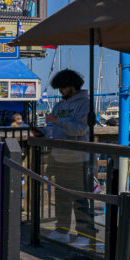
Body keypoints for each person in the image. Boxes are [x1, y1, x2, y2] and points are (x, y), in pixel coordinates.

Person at [43, 69, 94, 246]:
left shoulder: (85, 105)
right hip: (59, 158)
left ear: (72, 86)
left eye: (62, 88)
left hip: (77, 159)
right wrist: (43, 132)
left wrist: (57, 122)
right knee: (61, 197)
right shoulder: (59, 105)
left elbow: (80, 129)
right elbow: (52, 128)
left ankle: (85, 235)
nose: (60, 92)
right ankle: (62, 230)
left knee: (80, 198)